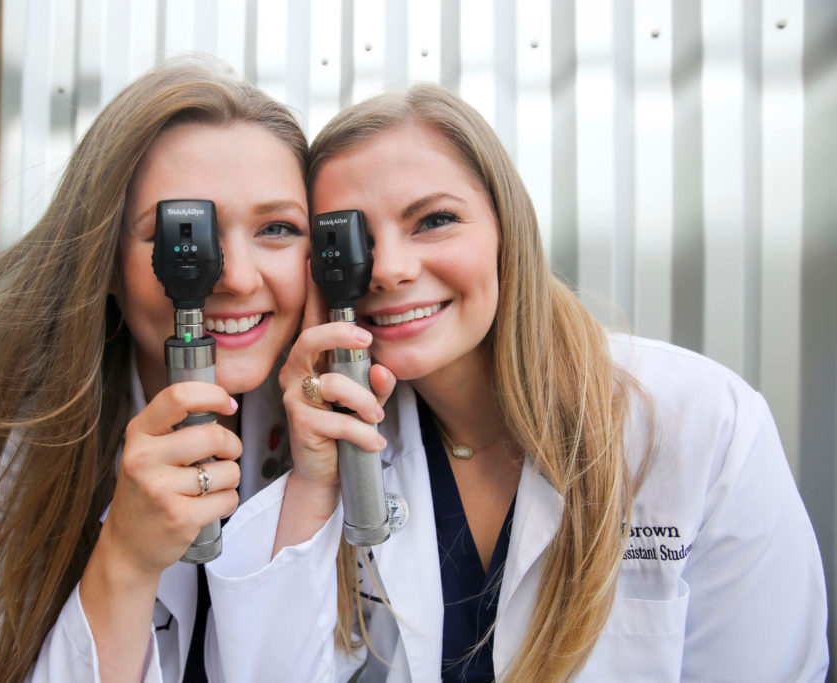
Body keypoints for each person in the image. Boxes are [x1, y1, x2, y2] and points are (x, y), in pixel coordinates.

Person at [205, 84, 829, 681]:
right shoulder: (324, 435)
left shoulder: (702, 422)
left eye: (434, 220)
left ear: (508, 229)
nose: (390, 269)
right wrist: (315, 486)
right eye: (352, 239)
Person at [0, 57, 310, 681]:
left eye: (277, 228)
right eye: (182, 236)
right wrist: (126, 557)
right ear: (107, 263)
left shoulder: (371, 425)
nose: (237, 278)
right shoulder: (20, 453)